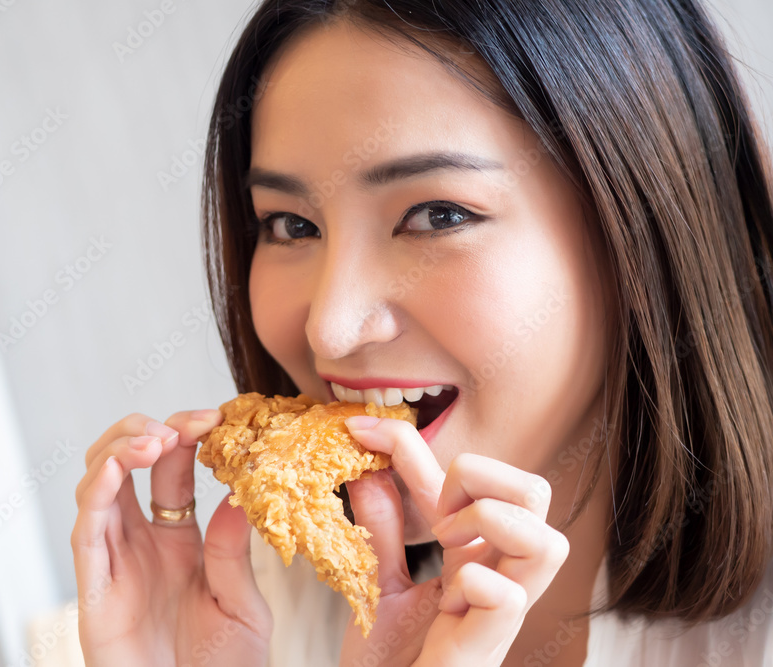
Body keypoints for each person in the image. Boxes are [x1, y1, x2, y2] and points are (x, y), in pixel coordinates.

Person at [70, 0, 773, 664]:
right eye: (291, 225)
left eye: (438, 214)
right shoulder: (240, 607)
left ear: (646, 225)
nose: (331, 328)